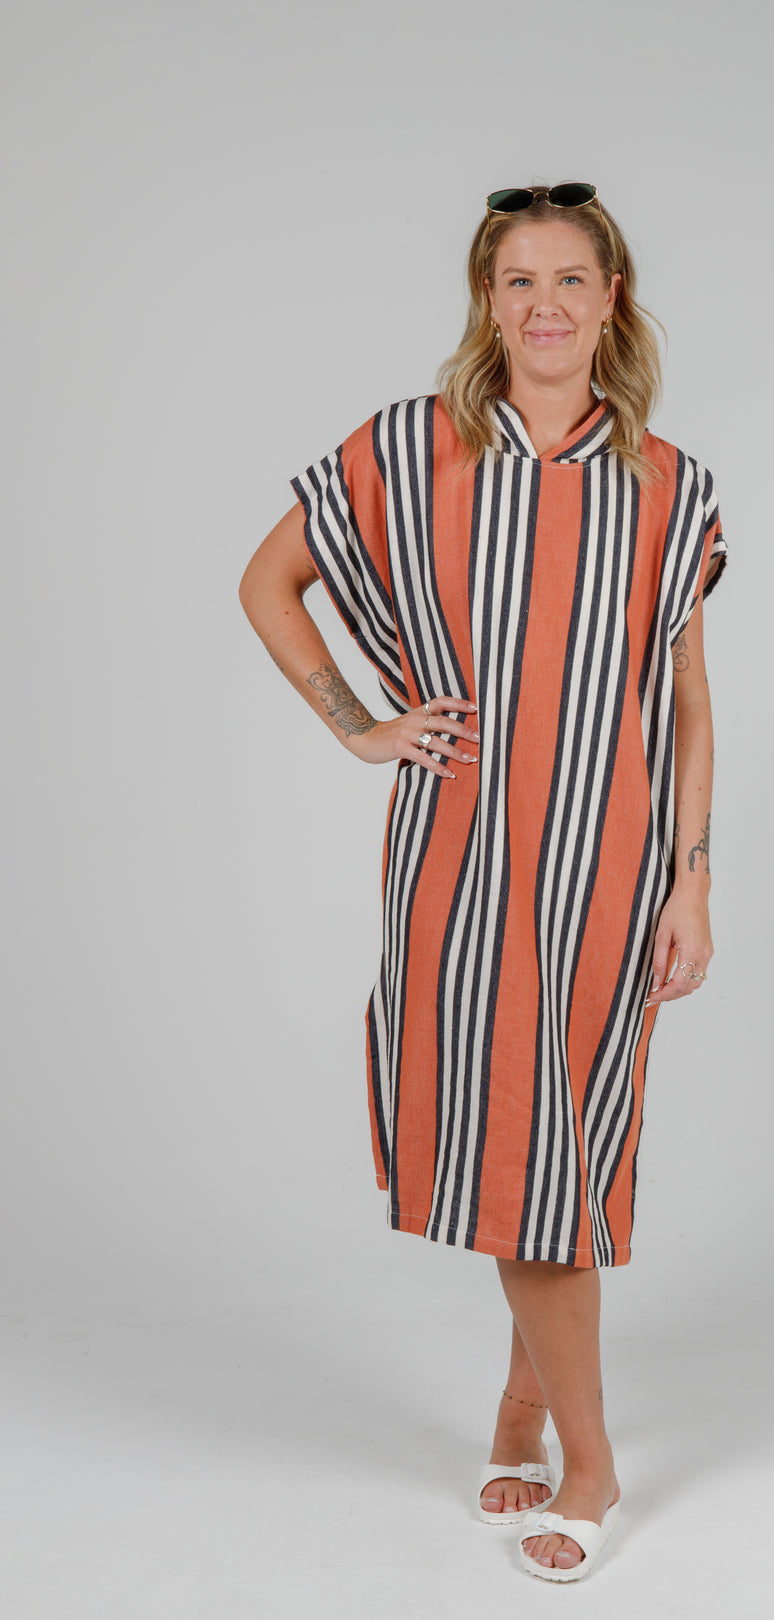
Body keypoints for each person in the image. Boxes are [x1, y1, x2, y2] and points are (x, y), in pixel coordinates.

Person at [238, 181, 728, 1582]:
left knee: (563, 1144)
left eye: (571, 278)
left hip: (612, 869)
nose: (545, 304)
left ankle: (552, 1430)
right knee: (523, 1144)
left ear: (612, 301)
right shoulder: (410, 448)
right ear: (488, 302)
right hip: (461, 867)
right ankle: (571, 1441)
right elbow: (268, 583)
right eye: (519, 280)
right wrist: (360, 724)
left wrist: (693, 878)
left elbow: (688, 703)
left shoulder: (670, 484)